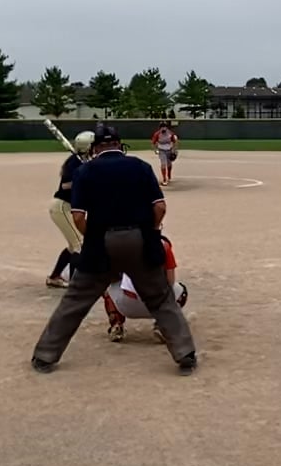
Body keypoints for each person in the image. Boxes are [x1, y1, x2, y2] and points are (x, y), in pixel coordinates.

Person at [31, 125, 198, 375]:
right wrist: (151, 231)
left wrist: (93, 238)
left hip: (102, 242)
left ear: (96, 148)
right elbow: (160, 207)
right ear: (119, 145)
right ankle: (185, 354)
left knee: (75, 301)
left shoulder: (85, 171)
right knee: (161, 299)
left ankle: (45, 356)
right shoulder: (140, 167)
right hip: (140, 240)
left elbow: (78, 217)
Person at [102, 234, 187, 342]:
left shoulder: (117, 245)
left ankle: (116, 323)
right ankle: (163, 325)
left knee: (108, 287)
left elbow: (109, 278)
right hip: (158, 306)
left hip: (128, 306)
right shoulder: (163, 244)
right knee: (181, 291)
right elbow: (170, 282)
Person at [46, 130, 96, 288]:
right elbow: (65, 185)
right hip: (62, 206)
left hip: (70, 208)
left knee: (73, 245)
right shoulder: (74, 162)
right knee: (80, 245)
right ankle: (76, 284)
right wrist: (82, 179)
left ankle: (54, 277)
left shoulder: (87, 161)